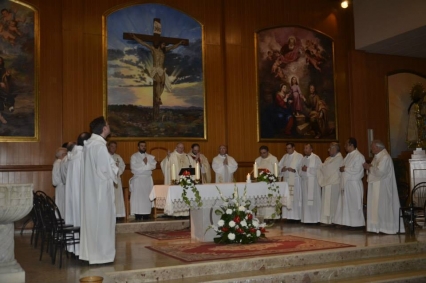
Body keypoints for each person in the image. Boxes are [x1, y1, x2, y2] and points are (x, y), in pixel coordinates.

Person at [79, 116, 118, 264]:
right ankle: (102, 255)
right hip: (101, 190)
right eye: (107, 124)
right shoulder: (99, 146)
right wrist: (114, 169)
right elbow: (105, 169)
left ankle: (92, 253)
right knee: (102, 221)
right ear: (104, 129)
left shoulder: (89, 144)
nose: (109, 126)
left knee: (94, 220)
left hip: (92, 189)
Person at [363, 140, 404, 234]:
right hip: (376, 186)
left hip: (383, 187)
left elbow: (380, 172)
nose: (371, 149)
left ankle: (386, 228)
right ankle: (376, 227)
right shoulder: (377, 156)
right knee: (376, 207)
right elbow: (373, 168)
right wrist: (369, 167)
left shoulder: (385, 157)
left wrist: (369, 167)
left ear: (378, 147)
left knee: (383, 207)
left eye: (372, 147)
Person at [131, 34, 184, 106]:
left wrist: (180, 43)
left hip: (162, 69)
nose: (164, 46)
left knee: (162, 83)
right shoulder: (154, 49)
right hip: (155, 69)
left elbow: (173, 47)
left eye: (165, 45)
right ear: (160, 44)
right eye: (163, 44)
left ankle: (158, 98)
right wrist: (135, 37)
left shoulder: (164, 51)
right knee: (158, 82)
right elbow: (144, 44)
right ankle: (158, 98)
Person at [64, 132, 90, 255]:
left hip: (72, 195)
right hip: (81, 195)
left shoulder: (71, 156)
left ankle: (74, 248)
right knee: (81, 219)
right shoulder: (82, 156)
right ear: (86, 142)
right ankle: (82, 250)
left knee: (74, 218)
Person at [334, 138, 366, 229]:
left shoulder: (359, 156)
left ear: (351, 145)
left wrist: (345, 169)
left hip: (353, 184)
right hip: (346, 183)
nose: (344, 147)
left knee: (354, 204)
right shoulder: (348, 156)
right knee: (346, 204)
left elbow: (357, 169)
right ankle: (347, 223)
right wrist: (342, 169)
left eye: (346, 145)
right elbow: (342, 166)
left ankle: (357, 224)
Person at [129, 141, 157, 221]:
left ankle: (146, 214)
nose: (143, 147)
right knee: (138, 197)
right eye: (141, 146)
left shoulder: (150, 156)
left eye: (144, 146)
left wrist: (145, 165)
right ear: (138, 147)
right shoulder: (134, 156)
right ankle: (138, 214)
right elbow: (134, 167)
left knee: (147, 197)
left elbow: (153, 166)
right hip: (138, 179)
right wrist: (143, 163)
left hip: (147, 179)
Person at [317, 142, 343, 225]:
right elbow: (323, 167)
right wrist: (322, 167)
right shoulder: (328, 159)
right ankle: (326, 220)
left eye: (330, 148)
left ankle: (334, 220)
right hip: (327, 183)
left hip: (334, 183)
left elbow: (328, 170)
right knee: (326, 203)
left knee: (333, 203)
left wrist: (322, 167)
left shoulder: (339, 158)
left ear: (335, 149)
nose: (328, 150)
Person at [279, 143, 303, 221]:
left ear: (293, 148)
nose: (288, 150)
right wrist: (282, 170)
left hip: (295, 181)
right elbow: (279, 166)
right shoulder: (285, 156)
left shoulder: (299, 156)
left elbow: (301, 168)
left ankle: (296, 217)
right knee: (287, 197)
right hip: (286, 180)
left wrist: (294, 170)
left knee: (295, 198)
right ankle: (287, 216)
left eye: (289, 148)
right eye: (287, 148)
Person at [299, 143, 322, 224]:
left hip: (313, 183)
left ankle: (316, 219)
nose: (305, 150)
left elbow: (319, 170)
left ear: (311, 149)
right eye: (304, 148)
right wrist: (302, 170)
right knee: (306, 201)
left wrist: (307, 169)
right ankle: (307, 219)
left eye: (307, 148)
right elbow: (299, 170)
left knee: (314, 201)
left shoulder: (316, 158)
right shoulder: (303, 159)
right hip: (305, 182)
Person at [255, 145, 279, 219]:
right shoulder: (258, 160)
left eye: (264, 153)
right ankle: (261, 216)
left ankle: (271, 217)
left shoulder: (273, 159)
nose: (262, 154)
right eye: (261, 153)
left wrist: (271, 177)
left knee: (270, 200)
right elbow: (256, 172)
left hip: (270, 183)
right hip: (260, 184)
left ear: (268, 152)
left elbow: (276, 171)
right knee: (261, 200)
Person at [107, 141, 126, 218]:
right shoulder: (105, 156)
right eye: (112, 146)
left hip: (117, 179)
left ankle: (117, 215)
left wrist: (117, 171)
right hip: (108, 179)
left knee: (117, 198)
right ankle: (109, 214)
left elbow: (122, 166)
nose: (113, 148)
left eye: (115, 147)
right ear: (108, 147)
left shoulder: (118, 157)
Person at [52, 147, 67, 217]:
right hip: (61, 186)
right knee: (62, 205)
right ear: (63, 155)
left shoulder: (57, 162)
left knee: (61, 205)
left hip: (59, 187)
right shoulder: (59, 163)